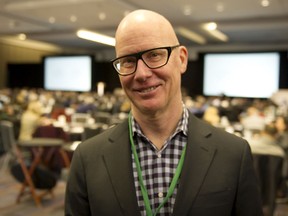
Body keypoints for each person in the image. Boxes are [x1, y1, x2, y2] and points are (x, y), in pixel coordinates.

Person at [65, 10, 263, 216]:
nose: (142, 74)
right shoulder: (87, 158)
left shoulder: (233, 154)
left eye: (154, 55)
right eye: (128, 61)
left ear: (182, 59)